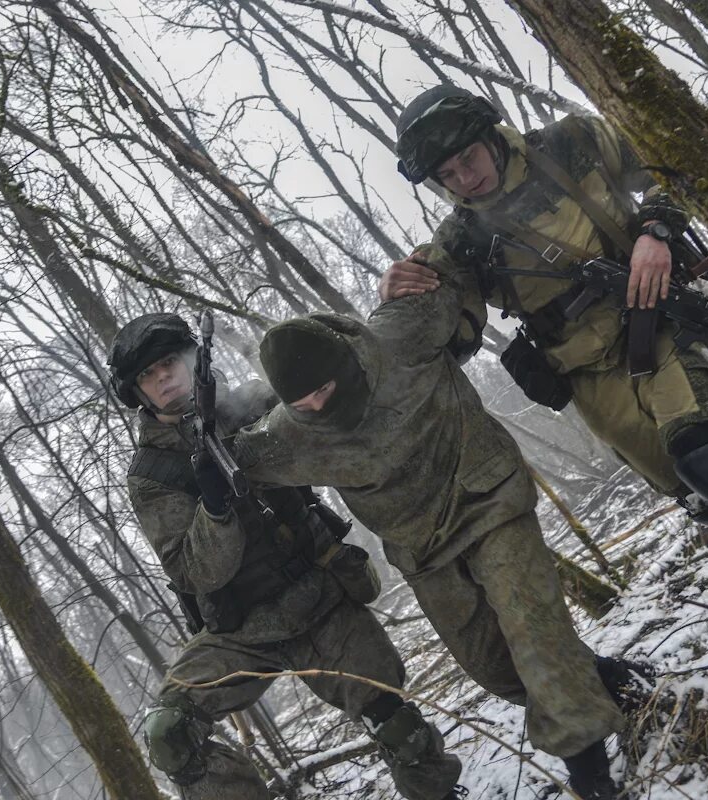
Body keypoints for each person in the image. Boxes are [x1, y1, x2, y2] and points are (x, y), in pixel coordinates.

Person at [383, 84, 708, 643]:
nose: (466, 178)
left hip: (654, 322)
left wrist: (655, 230)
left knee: (706, 456)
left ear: (491, 136)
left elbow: (667, 165)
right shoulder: (457, 243)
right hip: (587, 374)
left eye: (469, 158)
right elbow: (449, 333)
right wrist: (400, 294)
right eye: (448, 174)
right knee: (705, 493)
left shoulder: (571, 143)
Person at [232, 267, 651, 800]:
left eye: (323, 390)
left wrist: (414, 270)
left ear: (344, 363)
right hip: (423, 550)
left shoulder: (398, 335)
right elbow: (235, 460)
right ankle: (613, 682)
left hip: (489, 501)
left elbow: (456, 272)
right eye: (302, 402)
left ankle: (591, 774)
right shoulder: (290, 435)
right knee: (496, 667)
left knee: (532, 631)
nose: (317, 406)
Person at [107, 313, 464, 800]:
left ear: (191, 360)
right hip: (241, 629)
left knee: (397, 722)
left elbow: (340, 433)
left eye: (168, 362)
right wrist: (215, 509)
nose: (162, 377)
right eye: (148, 375)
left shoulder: (253, 404)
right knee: (170, 732)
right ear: (137, 393)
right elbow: (193, 571)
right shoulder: (151, 474)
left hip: (317, 596)